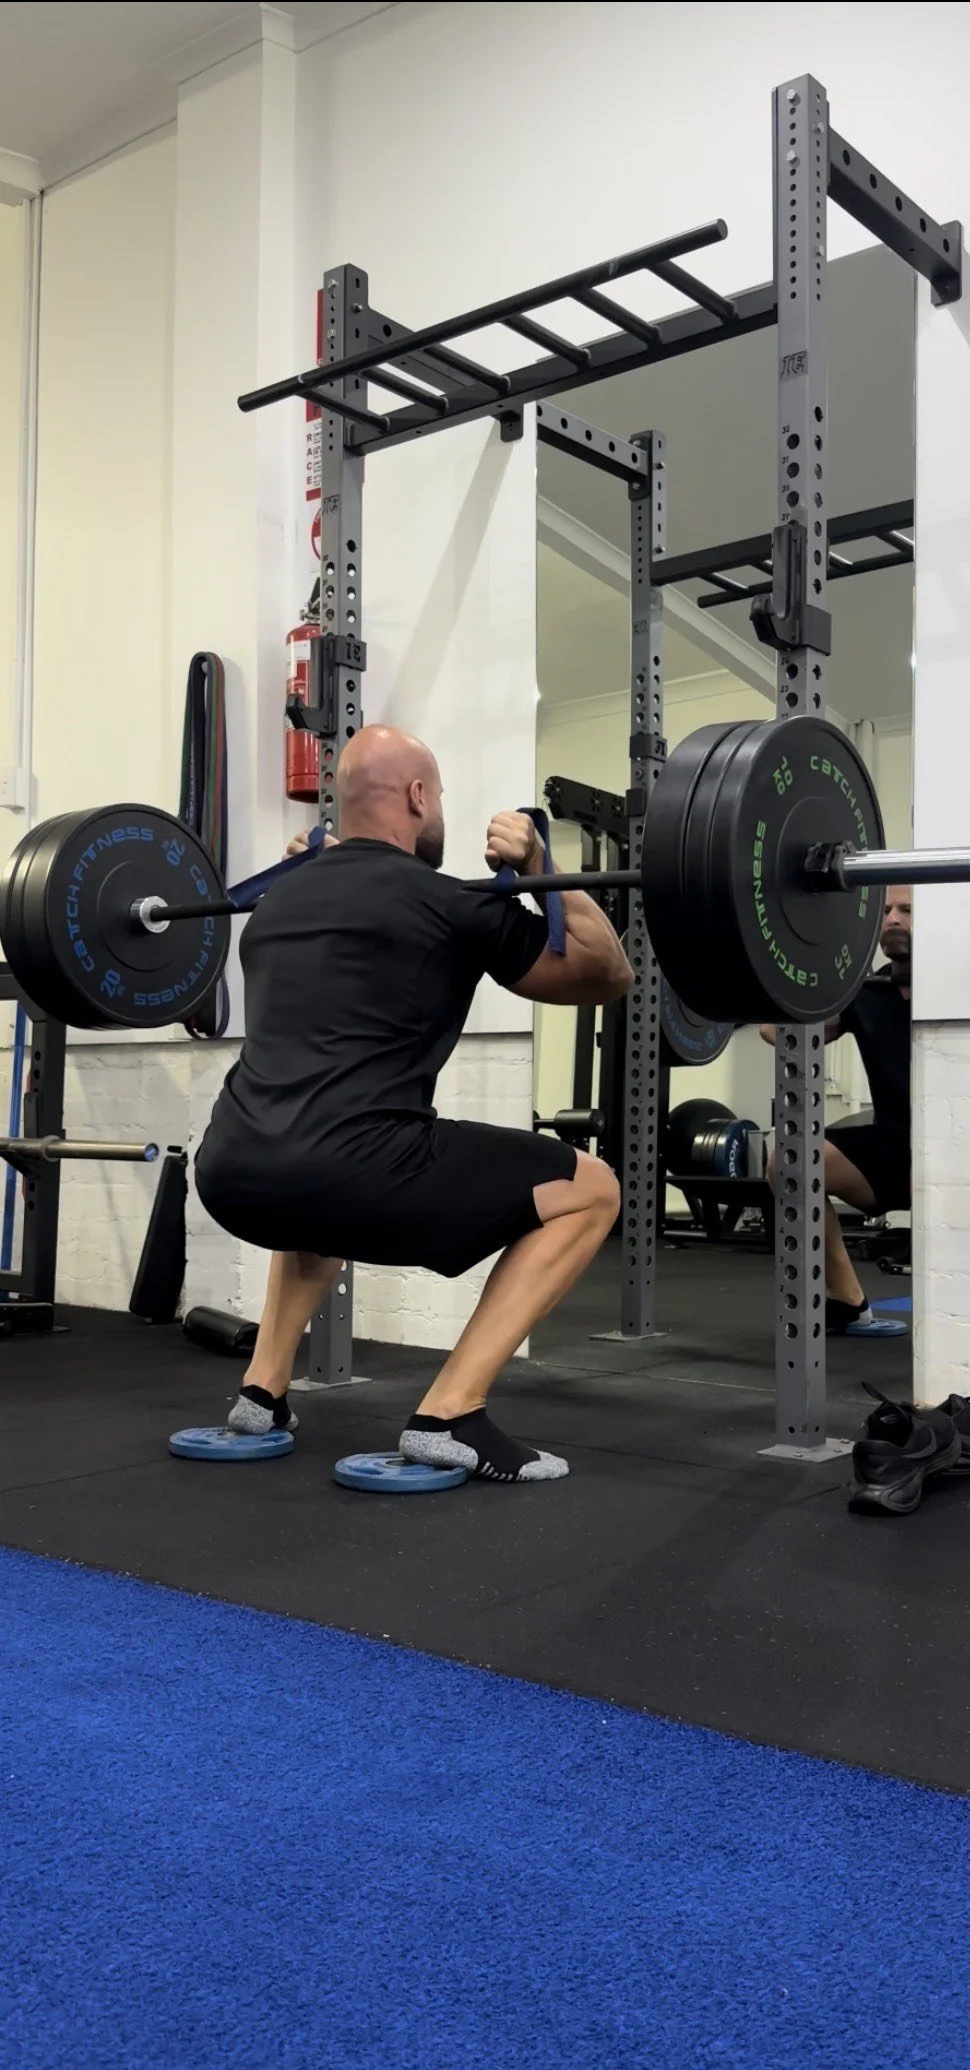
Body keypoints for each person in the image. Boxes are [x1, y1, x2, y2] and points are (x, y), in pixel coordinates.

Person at [195, 725, 632, 1483]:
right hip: (358, 1173)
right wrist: (542, 865)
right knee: (591, 1189)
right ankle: (450, 1414)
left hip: (231, 1172)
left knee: (313, 1180)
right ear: (419, 797)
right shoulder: (452, 903)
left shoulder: (274, 904)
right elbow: (605, 974)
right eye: (440, 798)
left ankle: (260, 1396)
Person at [760, 885, 911, 1337]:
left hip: (956, 1150)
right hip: (897, 1147)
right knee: (791, 1162)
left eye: (907, 910)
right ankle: (847, 1299)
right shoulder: (866, 992)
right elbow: (775, 1031)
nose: (893, 919)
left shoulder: (958, 987)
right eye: (886, 910)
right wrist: (803, 963)